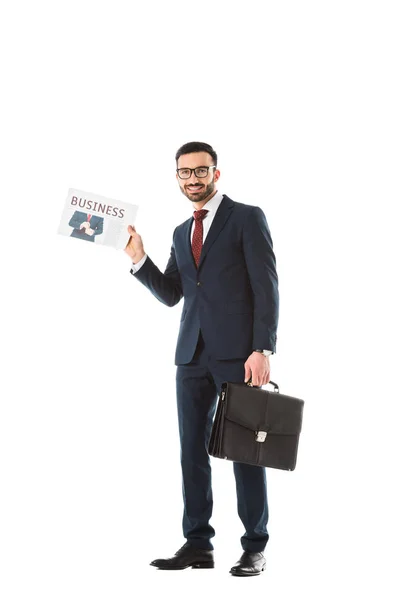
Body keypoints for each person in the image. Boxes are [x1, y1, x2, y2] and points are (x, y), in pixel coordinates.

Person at [124, 141, 279, 577]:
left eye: (200, 170)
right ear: (177, 177)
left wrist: (262, 348)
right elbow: (174, 294)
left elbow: (267, 287)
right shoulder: (179, 231)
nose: (193, 179)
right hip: (190, 356)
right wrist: (140, 261)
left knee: (246, 452)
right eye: (184, 172)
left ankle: (254, 546)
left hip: (240, 356)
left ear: (216, 172)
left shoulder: (248, 217)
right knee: (191, 450)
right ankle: (197, 544)